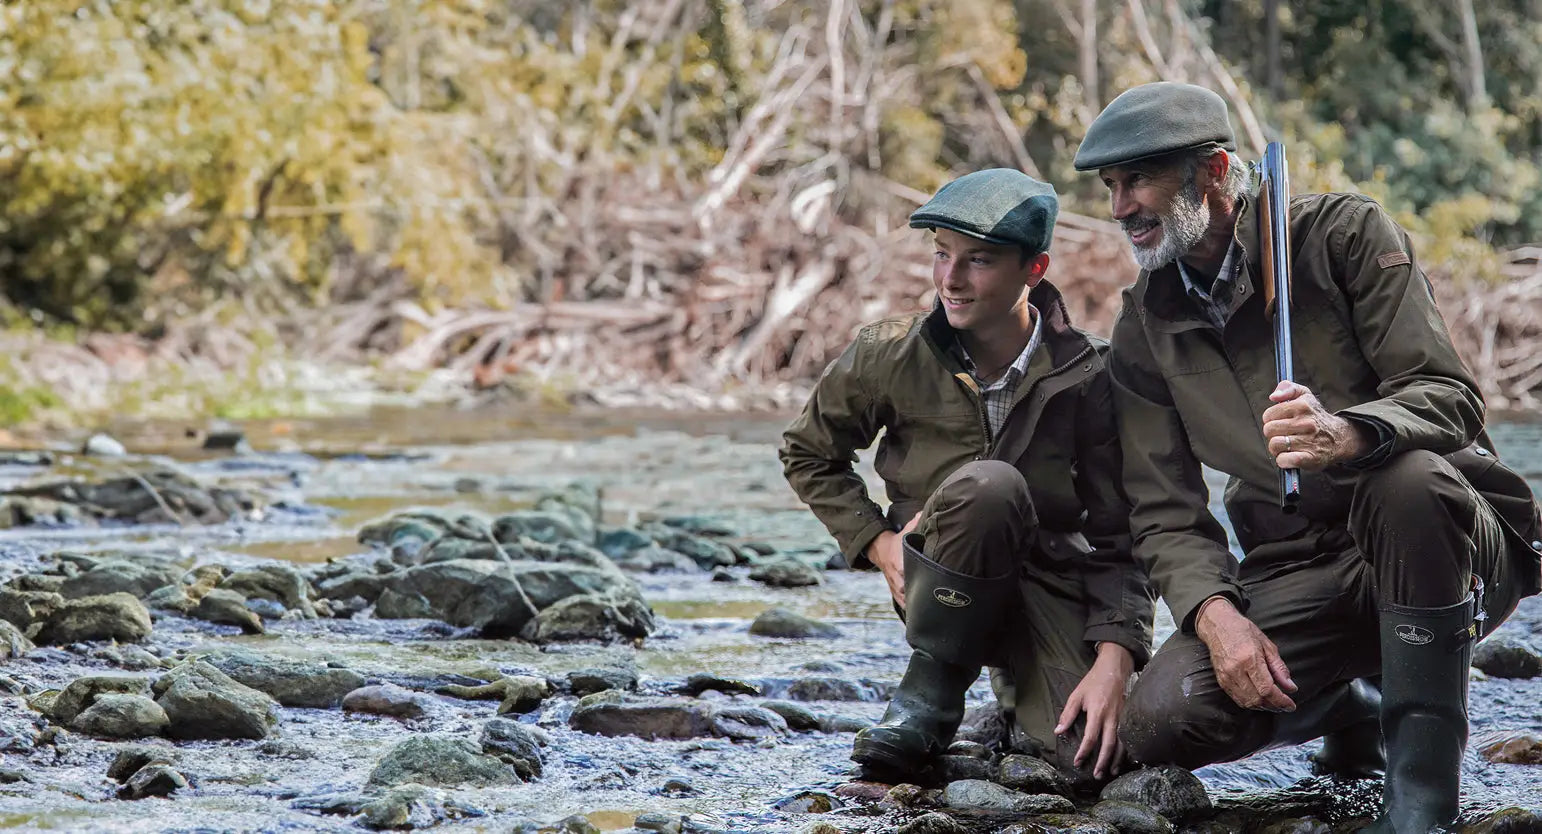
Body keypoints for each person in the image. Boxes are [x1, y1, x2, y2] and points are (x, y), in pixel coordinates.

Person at [1074, 82, 1542, 832]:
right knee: (1163, 720)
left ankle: (1421, 797)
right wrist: (1214, 612)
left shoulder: (1344, 236)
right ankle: (1346, 701)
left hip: (1453, 543)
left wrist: (1348, 433)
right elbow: (1163, 509)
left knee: (1407, 480)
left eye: (1138, 180)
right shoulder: (1144, 325)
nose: (1120, 205)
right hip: (1300, 565)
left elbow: (1450, 397)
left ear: (1215, 171)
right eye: (1110, 186)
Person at [779, 168, 1154, 782]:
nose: (950, 279)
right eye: (942, 255)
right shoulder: (887, 353)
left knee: (1089, 764)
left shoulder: (1091, 376)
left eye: (978, 261)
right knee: (990, 485)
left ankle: (1013, 697)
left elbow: (1126, 530)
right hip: (940, 577)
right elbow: (808, 453)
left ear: (1034, 269)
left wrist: (1117, 656)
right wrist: (878, 545)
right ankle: (930, 692)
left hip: (1050, 583)